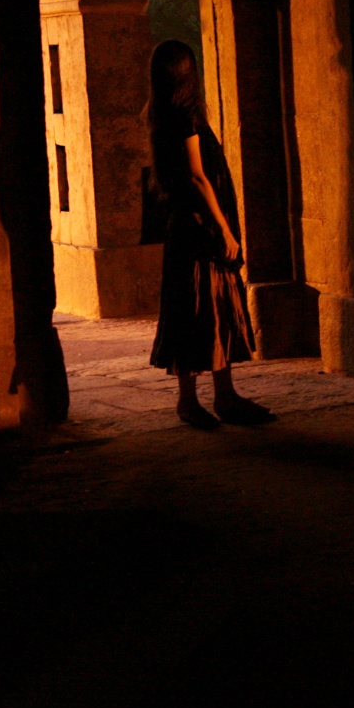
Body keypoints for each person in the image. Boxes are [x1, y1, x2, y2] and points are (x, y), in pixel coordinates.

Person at [144, 40, 275, 427]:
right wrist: (225, 230)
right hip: (199, 228)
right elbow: (198, 176)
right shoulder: (184, 118)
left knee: (206, 310)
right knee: (201, 308)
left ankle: (220, 396)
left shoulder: (160, 114)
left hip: (185, 226)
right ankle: (196, 400)